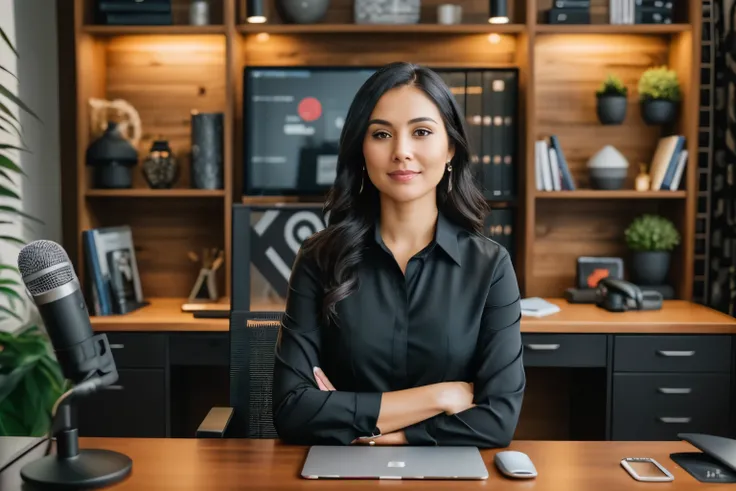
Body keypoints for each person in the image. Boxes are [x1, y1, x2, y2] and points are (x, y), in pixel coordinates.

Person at [272, 61, 525, 448]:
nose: (401, 152)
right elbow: (293, 411)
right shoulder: (318, 259)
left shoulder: (490, 267)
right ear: (361, 147)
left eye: (421, 132)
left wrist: (389, 432)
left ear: (451, 148)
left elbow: (497, 420)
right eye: (381, 134)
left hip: (448, 474)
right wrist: (439, 397)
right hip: (341, 473)